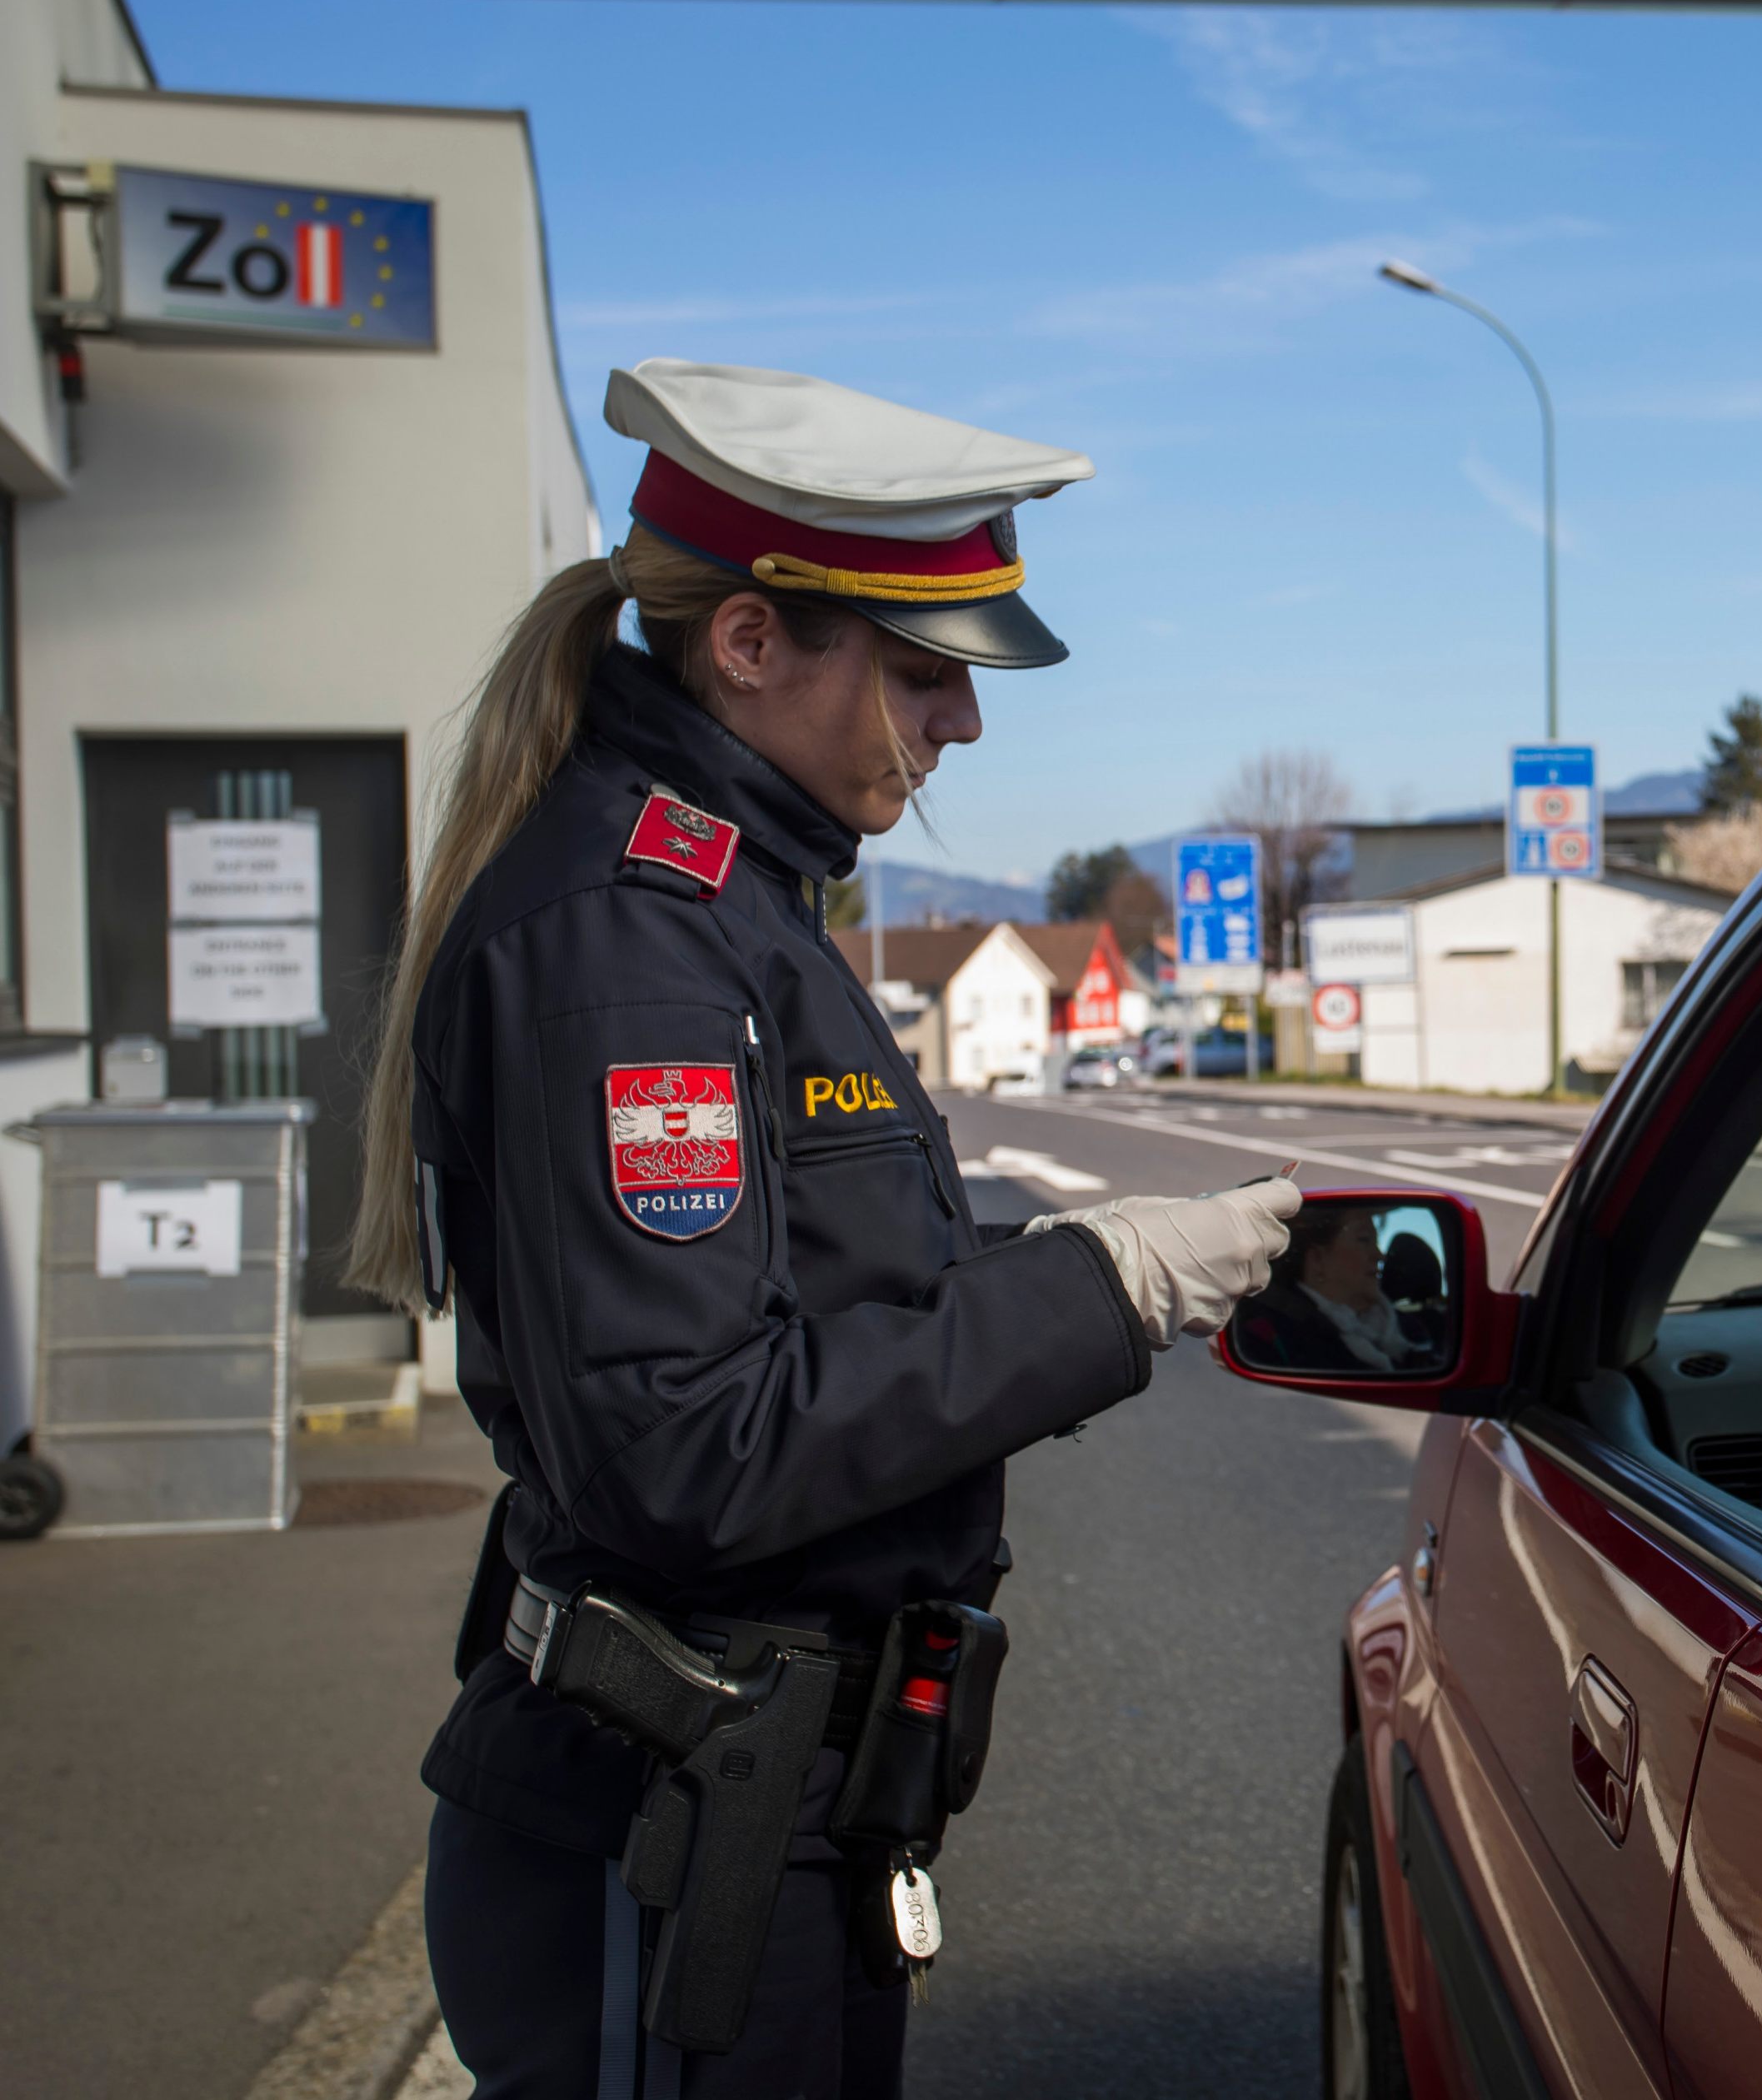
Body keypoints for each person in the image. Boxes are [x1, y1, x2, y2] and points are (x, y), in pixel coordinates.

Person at [347, 357, 1300, 2098]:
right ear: (751, 643)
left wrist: (1052, 1266)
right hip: (670, 1831)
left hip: (755, 1813)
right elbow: (689, 1444)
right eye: (928, 671)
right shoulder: (632, 940)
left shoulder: (734, 907)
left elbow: (809, 1290)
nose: (963, 724)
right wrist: (1108, 1281)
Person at [1239, 1205, 1444, 1374]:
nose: (1380, 1256)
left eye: (1377, 1242)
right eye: (1364, 1240)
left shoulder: (1412, 1329)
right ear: (1317, 1259)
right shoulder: (1278, 1334)